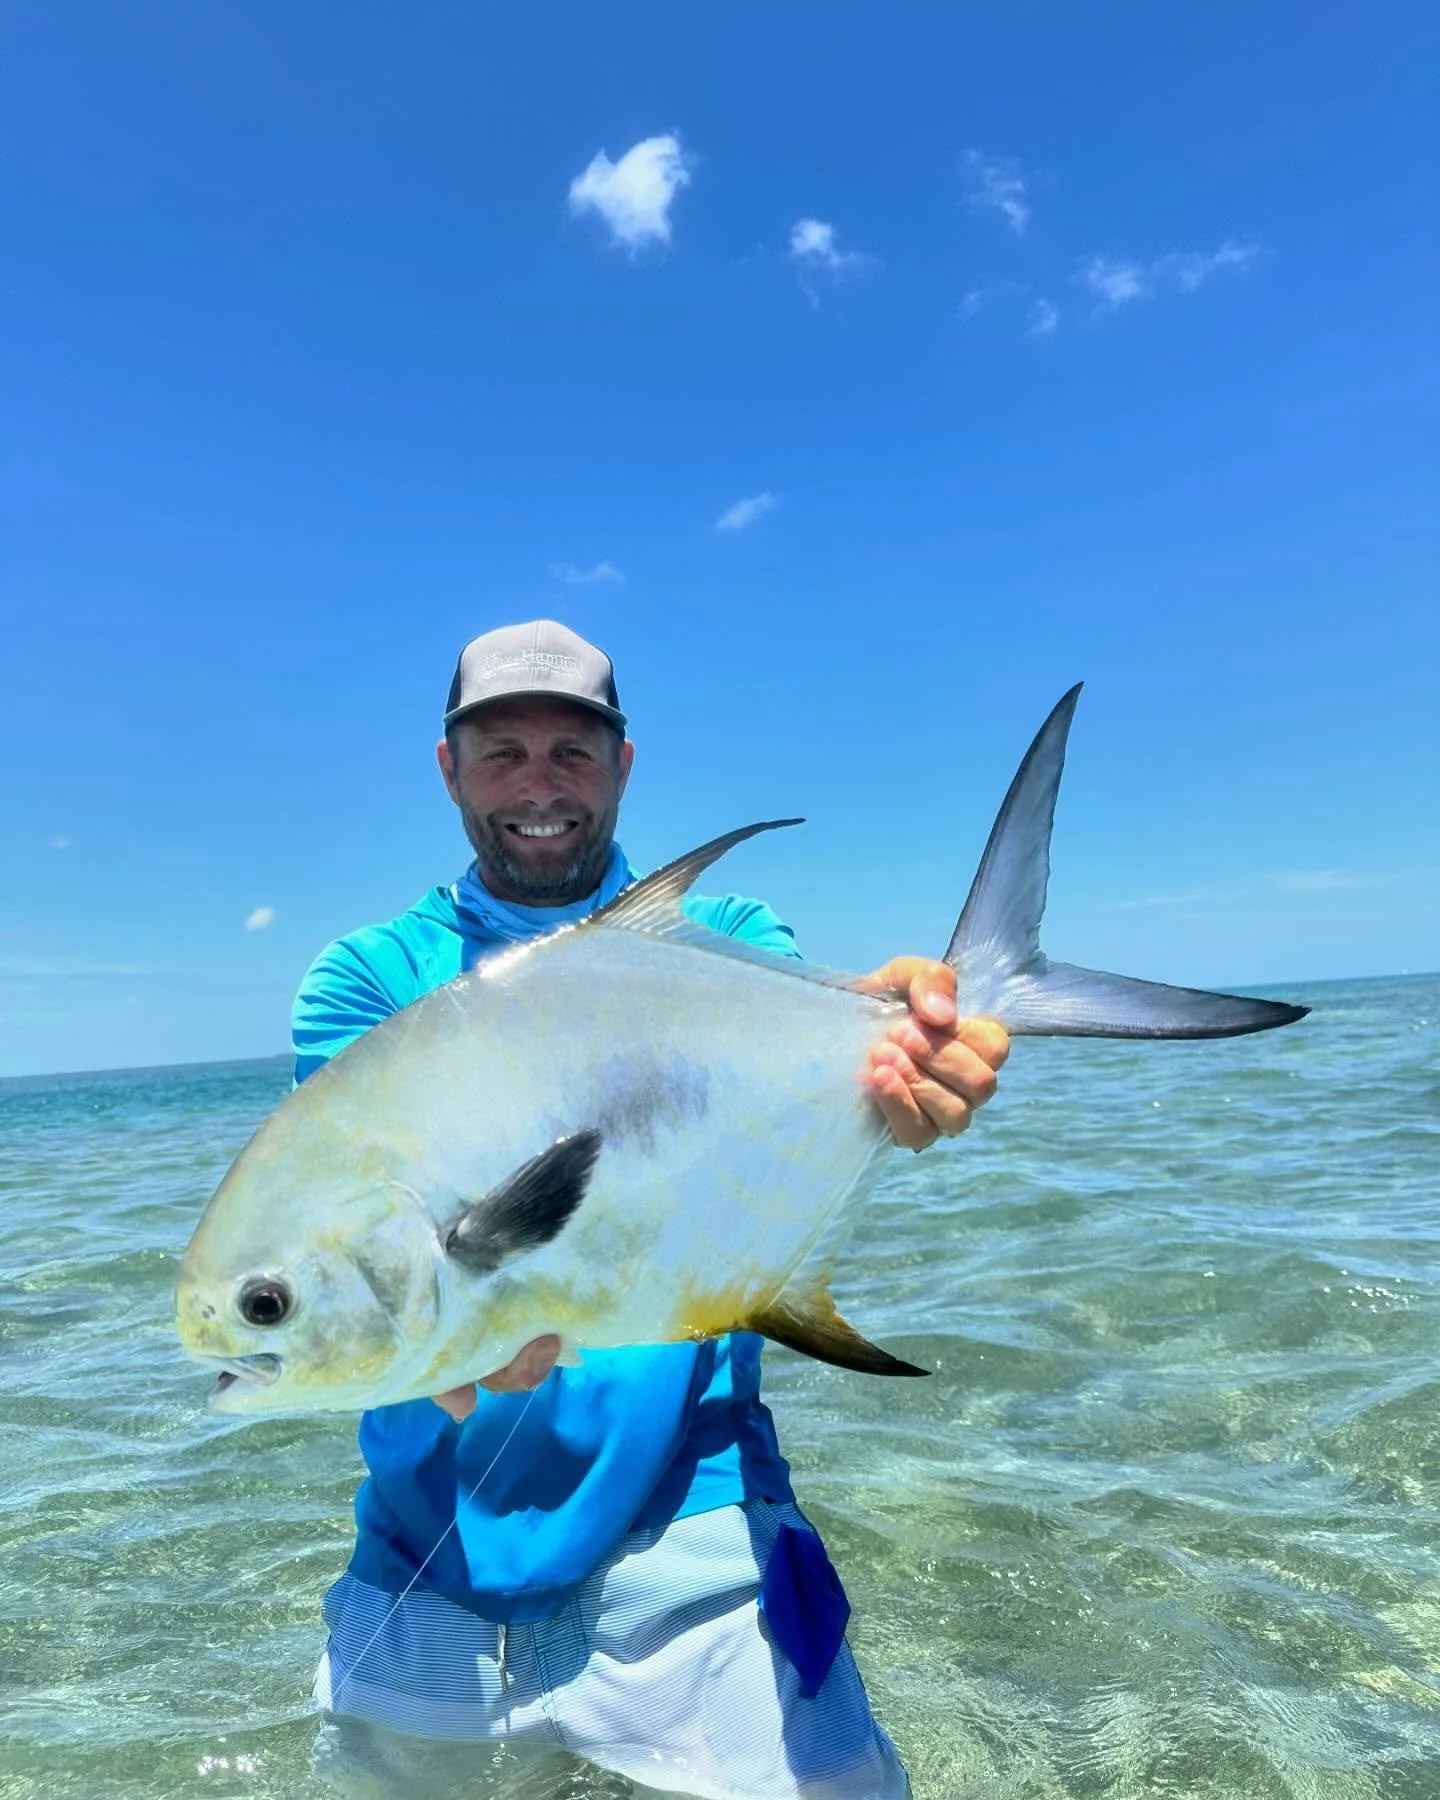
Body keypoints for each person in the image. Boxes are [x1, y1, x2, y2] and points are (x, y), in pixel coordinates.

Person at [296, 621, 1010, 1799]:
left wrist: (906, 1068)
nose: (539, 788)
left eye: (572, 753)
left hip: (701, 1511)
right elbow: (343, 1238)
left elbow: (834, 1046)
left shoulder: (728, 938)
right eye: (502, 753)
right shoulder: (366, 979)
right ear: (448, 770)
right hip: (430, 1538)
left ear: (625, 766)